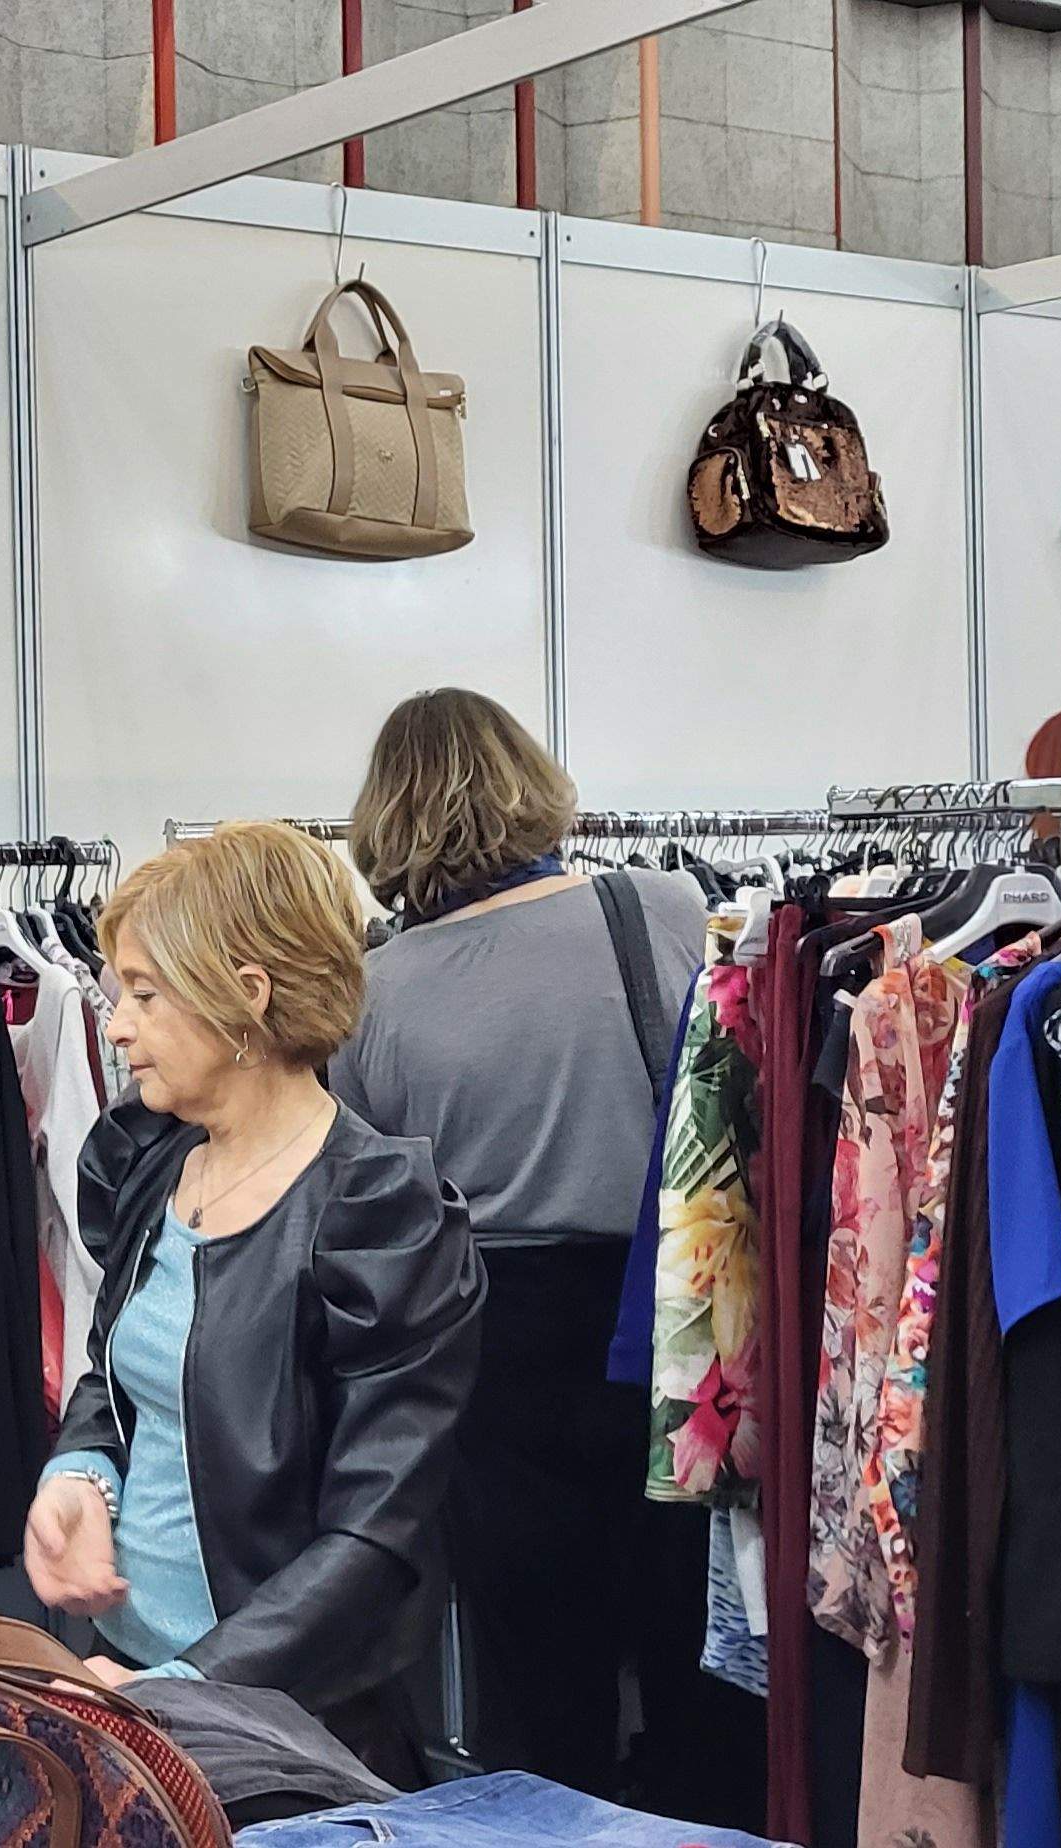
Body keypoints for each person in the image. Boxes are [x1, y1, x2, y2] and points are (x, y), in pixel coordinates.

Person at [324, 690, 741, 1815]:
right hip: (673, 1315)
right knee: (699, 1650)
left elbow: (372, 1202)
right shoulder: (659, 906)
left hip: (487, 1339)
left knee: (539, 1676)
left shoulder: (370, 992)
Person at [23, 821, 486, 1781]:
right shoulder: (149, 1163)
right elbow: (117, 1380)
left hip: (276, 1733)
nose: (115, 1027)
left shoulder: (377, 1217)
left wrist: (190, 1689)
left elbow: (376, 1534)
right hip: (125, 1685)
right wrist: (79, 1474)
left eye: (144, 996)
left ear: (245, 997)